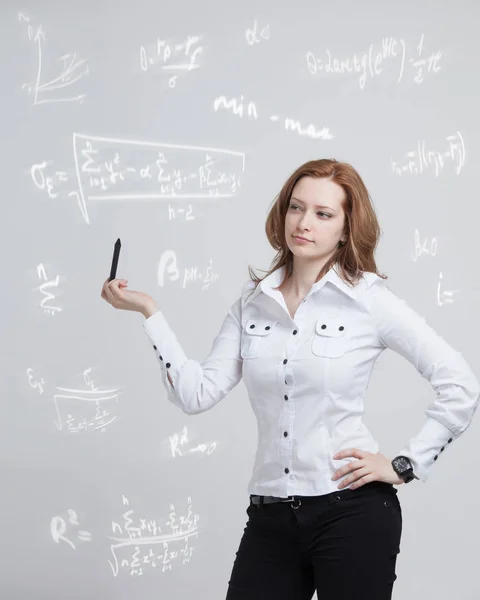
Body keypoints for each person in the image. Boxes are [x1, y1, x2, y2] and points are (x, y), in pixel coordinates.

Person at [100, 158, 480, 599]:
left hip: (352, 513)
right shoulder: (252, 303)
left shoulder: (369, 301)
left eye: (323, 214)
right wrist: (150, 313)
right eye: (296, 208)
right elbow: (196, 394)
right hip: (271, 517)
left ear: (345, 228)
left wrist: (404, 465)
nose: (304, 223)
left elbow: (460, 384)